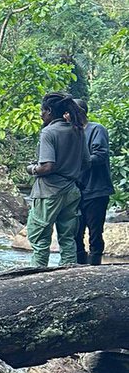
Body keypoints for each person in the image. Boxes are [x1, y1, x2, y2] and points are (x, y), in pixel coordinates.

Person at [26, 92, 89, 268]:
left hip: (48, 192)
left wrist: (32, 169)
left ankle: (36, 276)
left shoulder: (48, 132)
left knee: (40, 239)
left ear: (49, 111)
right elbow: (86, 162)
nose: (41, 115)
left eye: (42, 111)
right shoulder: (78, 130)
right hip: (71, 191)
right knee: (68, 238)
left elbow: (47, 167)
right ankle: (68, 274)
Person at [75, 99, 113, 265]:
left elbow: (100, 155)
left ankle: (95, 268)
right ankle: (78, 267)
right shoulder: (71, 132)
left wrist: (77, 162)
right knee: (75, 233)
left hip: (96, 190)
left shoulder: (97, 129)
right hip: (76, 192)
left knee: (95, 233)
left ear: (80, 112)